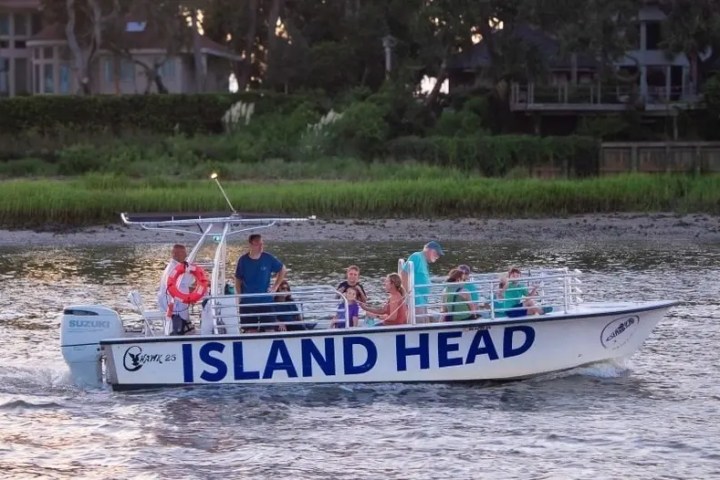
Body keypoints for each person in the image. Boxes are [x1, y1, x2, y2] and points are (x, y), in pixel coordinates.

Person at [235, 234, 287, 332]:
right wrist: (240, 294)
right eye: (257, 244)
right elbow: (238, 279)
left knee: (270, 329)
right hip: (248, 301)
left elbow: (282, 269)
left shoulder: (268, 258)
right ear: (250, 245)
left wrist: (275, 287)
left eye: (261, 244)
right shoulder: (243, 260)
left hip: (266, 300)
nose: (260, 246)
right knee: (250, 330)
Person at [157, 244, 195, 335]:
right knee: (177, 331)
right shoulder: (174, 269)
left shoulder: (176, 267)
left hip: (173, 305)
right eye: (184, 253)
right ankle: (176, 338)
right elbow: (183, 287)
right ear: (176, 254)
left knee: (185, 327)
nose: (186, 256)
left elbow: (186, 285)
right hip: (174, 307)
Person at [402, 241, 444, 323]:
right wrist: (408, 294)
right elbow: (404, 273)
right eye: (437, 254)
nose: (437, 257)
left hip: (423, 300)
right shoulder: (416, 256)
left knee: (425, 321)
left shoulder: (424, 262)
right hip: (416, 299)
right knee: (419, 321)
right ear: (431, 251)